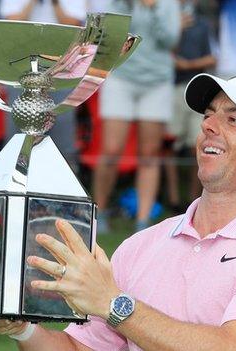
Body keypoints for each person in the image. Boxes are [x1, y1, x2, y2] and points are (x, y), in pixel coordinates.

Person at [0, 73, 236, 351]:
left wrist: (113, 303)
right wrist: (22, 328)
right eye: (210, 116)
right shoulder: (143, 244)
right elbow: (83, 347)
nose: (209, 126)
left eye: (234, 120)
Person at [92, 0, 180, 233]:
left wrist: (154, 9)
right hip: (120, 77)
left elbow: (171, 39)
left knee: (150, 153)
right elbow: (111, 35)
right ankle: (98, 213)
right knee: (111, 149)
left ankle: (142, 222)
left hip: (157, 81)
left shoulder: (168, 4)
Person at [0, 0, 87, 170]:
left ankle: (62, 191)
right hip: (22, 73)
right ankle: (16, 189)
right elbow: (12, 24)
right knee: (18, 138)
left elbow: (74, 27)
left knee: (62, 140)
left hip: (62, 72)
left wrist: (54, 3)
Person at [164, 0, 216, 211]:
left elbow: (212, 58)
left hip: (197, 90)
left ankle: (195, 199)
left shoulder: (203, 25)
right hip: (172, 88)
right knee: (169, 146)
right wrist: (175, 27)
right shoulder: (167, 22)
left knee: (200, 143)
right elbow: (165, 53)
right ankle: (174, 199)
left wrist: (188, 65)